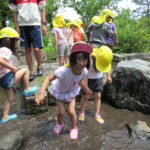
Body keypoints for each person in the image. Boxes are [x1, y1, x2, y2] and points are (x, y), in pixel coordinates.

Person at [35, 42, 92, 140]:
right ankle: (60, 124)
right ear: (72, 58)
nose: (82, 62)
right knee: (61, 112)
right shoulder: (63, 71)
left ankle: (74, 127)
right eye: (79, 59)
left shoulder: (84, 71)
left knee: (71, 111)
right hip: (60, 92)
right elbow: (48, 78)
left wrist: (85, 88)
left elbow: (79, 80)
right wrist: (41, 93)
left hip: (71, 91)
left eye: (85, 59)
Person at [0, 27, 38, 123]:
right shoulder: (6, 50)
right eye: (16, 41)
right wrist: (12, 68)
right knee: (25, 70)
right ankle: (26, 90)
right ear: (9, 40)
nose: (17, 43)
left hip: (2, 79)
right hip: (6, 78)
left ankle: (5, 117)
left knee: (10, 97)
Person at [8, 0, 47, 81]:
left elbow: (42, 8)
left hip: (35, 23)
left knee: (36, 49)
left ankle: (39, 66)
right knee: (27, 49)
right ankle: (31, 71)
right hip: (22, 25)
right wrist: (17, 26)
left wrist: (43, 24)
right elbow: (14, 11)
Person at [79, 46, 113, 124]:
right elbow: (84, 72)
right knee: (85, 96)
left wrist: (108, 76)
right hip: (88, 78)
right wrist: (85, 85)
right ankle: (81, 112)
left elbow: (107, 66)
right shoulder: (89, 59)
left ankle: (97, 114)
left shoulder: (105, 58)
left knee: (98, 96)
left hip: (99, 78)